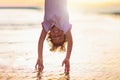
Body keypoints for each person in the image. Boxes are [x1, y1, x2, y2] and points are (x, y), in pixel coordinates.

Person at [35, 0, 73, 75]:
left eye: (54, 37)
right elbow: (70, 41)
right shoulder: (64, 25)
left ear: (50, 35)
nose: (57, 35)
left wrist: (40, 57)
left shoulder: (47, 24)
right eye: (59, 36)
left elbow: (41, 41)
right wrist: (67, 58)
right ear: (64, 33)